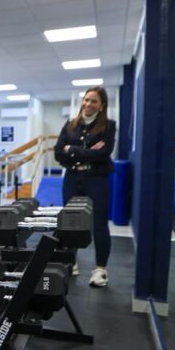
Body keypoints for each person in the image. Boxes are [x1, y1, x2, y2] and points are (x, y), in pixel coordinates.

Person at [54, 86, 117, 287]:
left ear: (102, 106)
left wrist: (71, 149)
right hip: (72, 177)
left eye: (94, 101)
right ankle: (70, 261)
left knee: (99, 224)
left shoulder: (108, 126)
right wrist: (88, 151)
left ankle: (100, 269)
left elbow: (103, 154)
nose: (88, 104)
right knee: (70, 222)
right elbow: (58, 153)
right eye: (86, 99)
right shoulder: (70, 125)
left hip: (96, 178)